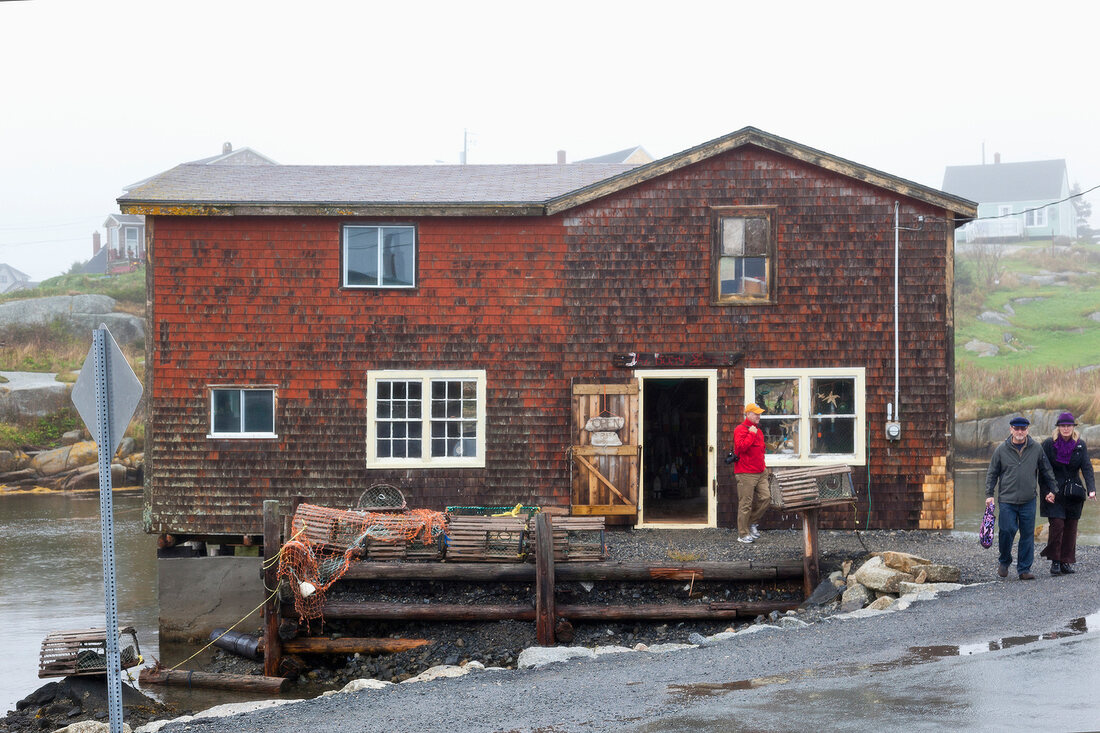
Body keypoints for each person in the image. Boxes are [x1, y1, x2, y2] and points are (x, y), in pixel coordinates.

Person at [985, 415, 1057, 580]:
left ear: (1027, 430)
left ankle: (1024, 569)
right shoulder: (1001, 450)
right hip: (1007, 500)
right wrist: (989, 495)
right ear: (1011, 429)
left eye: (1022, 429)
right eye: (1016, 429)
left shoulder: (1036, 448)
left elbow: (1046, 470)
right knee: (1006, 530)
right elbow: (992, 474)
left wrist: (1053, 489)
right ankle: (1004, 561)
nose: (1019, 432)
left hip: (1028, 500)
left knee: (1027, 535)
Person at [1040, 412, 1096, 575]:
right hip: (1054, 492)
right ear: (1058, 427)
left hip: (1074, 493)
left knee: (1071, 528)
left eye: (1068, 426)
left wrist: (1091, 489)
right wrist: (1046, 492)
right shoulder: (1049, 445)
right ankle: (1055, 562)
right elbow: (1043, 471)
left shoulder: (1080, 445)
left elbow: (1087, 468)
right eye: (1063, 426)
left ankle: (1066, 561)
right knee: (1057, 525)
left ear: (1073, 428)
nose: (1066, 428)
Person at [733, 403, 770, 544]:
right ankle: (742, 534)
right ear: (748, 414)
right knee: (745, 504)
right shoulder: (741, 429)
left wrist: (764, 468)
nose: (758, 416)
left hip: (761, 471)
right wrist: (751, 433)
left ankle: (752, 523)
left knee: (766, 498)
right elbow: (741, 447)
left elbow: (761, 451)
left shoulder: (758, 431)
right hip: (745, 472)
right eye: (756, 413)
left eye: (759, 413)